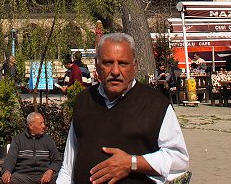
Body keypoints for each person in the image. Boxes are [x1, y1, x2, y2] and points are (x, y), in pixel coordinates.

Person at [57, 33, 189, 184]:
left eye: (123, 63)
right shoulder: (84, 101)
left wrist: (132, 163)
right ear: (97, 66)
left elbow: (179, 160)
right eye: (108, 63)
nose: (115, 71)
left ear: (134, 66)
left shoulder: (156, 104)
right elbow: (68, 165)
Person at [1, 112, 62, 184]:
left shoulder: (48, 140)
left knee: (60, 179)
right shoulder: (18, 139)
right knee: (7, 180)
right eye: (41, 123)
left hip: (43, 175)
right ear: (31, 126)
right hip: (24, 176)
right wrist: (7, 171)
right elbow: (10, 159)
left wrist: (50, 171)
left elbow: (57, 160)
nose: (44, 126)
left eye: (43, 123)